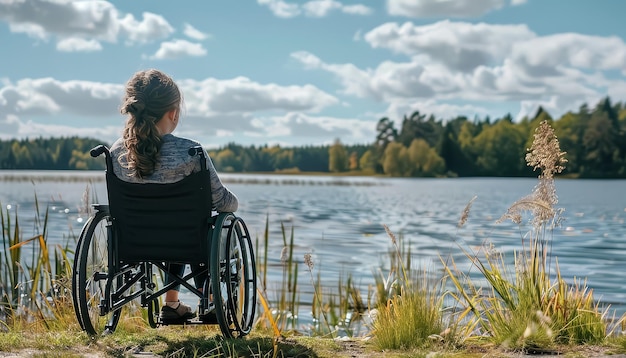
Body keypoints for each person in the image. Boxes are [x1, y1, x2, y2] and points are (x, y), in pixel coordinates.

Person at [110, 69, 238, 322]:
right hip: (186, 238)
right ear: (173, 112)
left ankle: (172, 303)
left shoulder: (117, 152)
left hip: (135, 241)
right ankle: (209, 297)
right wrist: (234, 203)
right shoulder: (190, 151)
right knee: (199, 225)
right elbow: (222, 202)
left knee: (170, 224)